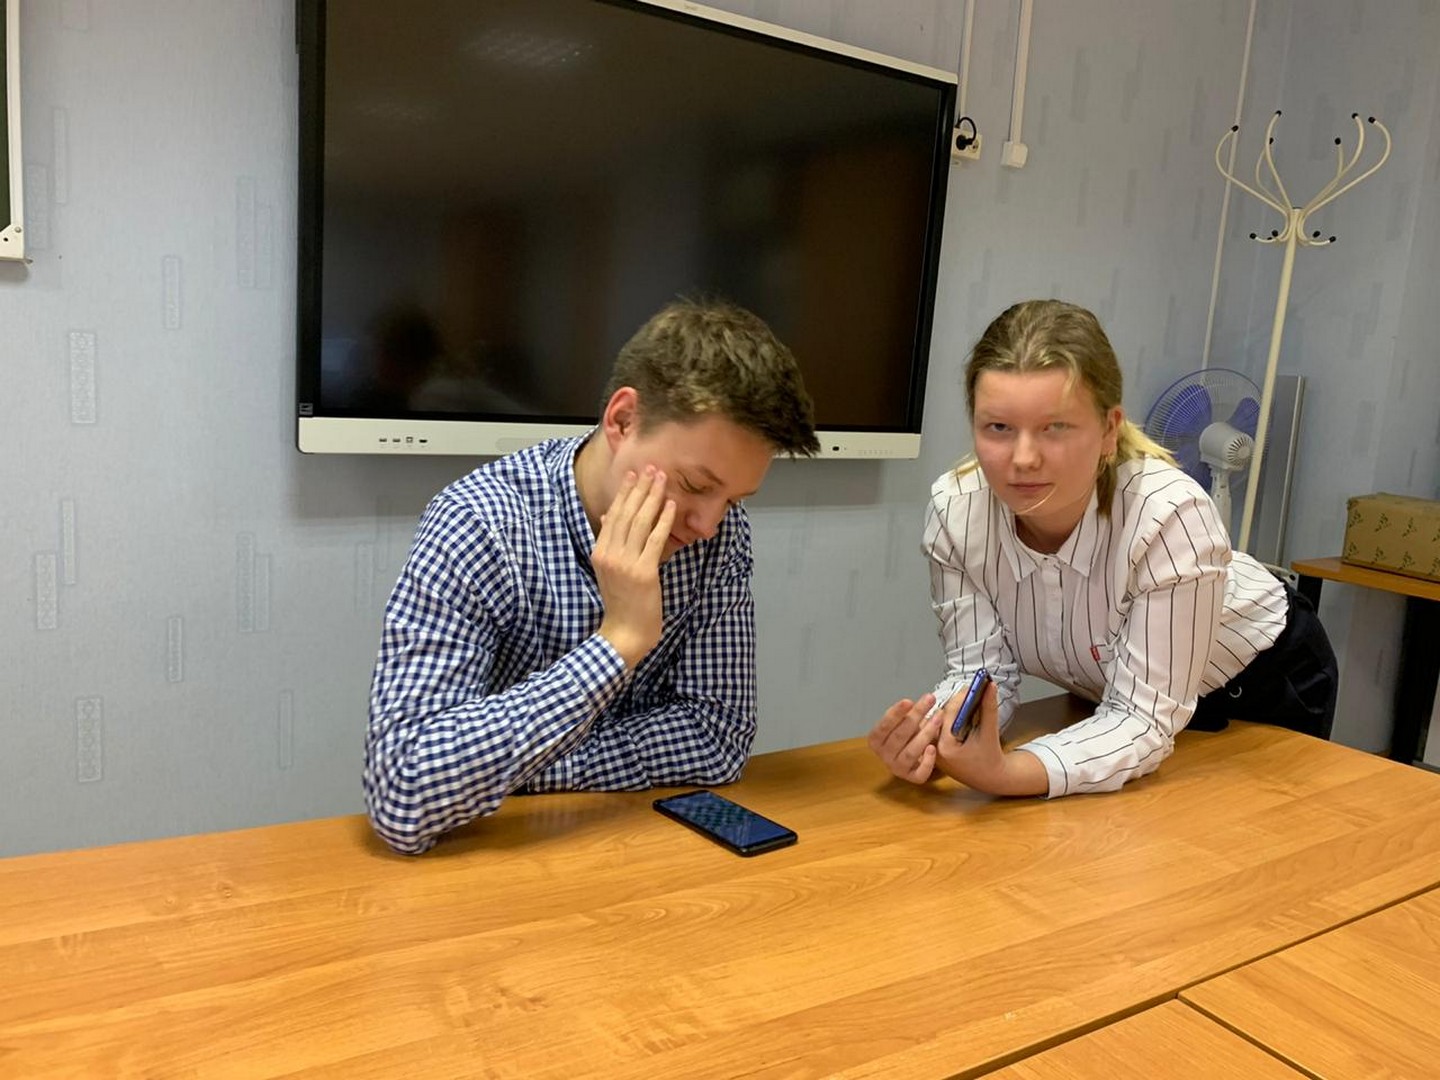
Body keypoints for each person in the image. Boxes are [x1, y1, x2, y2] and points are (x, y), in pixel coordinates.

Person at [365, 298, 820, 853]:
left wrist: (521, 769)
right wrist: (617, 642)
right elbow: (404, 792)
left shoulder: (718, 534)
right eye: (695, 486)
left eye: (734, 498)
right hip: (488, 863)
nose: (708, 524)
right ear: (623, 420)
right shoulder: (479, 524)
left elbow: (717, 736)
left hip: (631, 849)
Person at [869, 299, 1337, 799]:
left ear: (1110, 430)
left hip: (1261, 682)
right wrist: (937, 739)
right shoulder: (957, 512)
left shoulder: (1168, 513)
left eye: (1054, 427)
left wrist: (1005, 774)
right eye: (998, 428)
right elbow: (982, 674)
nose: (1022, 459)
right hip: (1118, 698)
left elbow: (1142, 719)